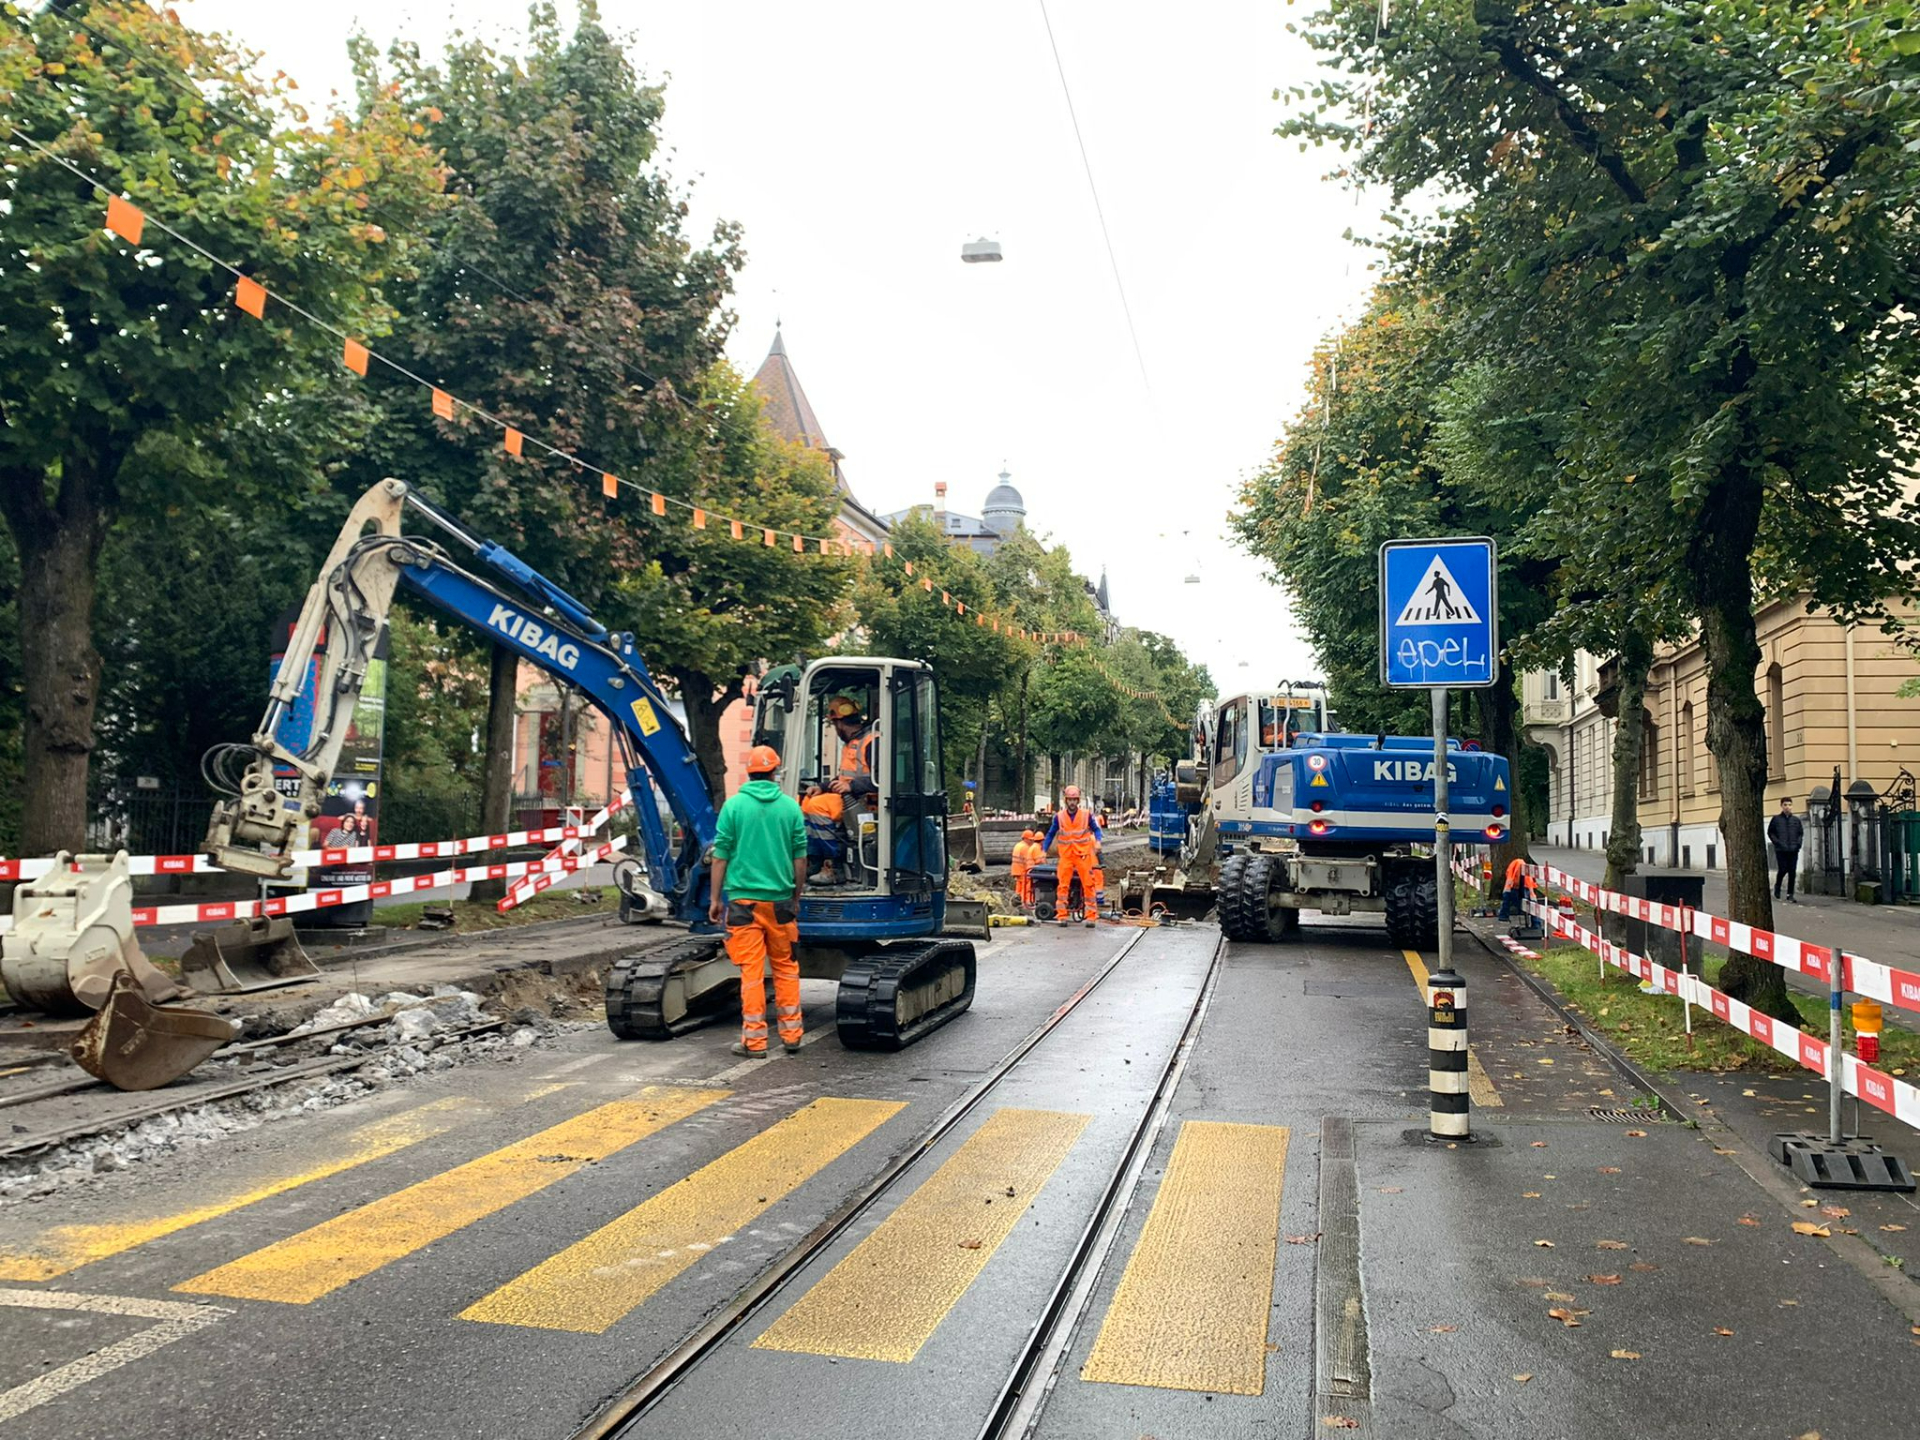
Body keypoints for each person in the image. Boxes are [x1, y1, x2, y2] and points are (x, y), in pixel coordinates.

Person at [708, 745, 809, 1058]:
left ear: (749, 773)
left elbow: (720, 856)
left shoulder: (734, 807)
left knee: (751, 973)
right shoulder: (791, 808)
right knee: (786, 968)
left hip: (743, 903)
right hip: (780, 903)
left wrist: (715, 899)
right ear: (775, 773)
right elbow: (800, 858)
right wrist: (796, 896)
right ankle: (792, 1036)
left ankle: (755, 1042)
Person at [1042, 785, 1103, 928]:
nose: (1072, 803)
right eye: (1070, 800)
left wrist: (1098, 842)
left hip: (1082, 855)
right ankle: (1062, 915)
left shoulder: (1086, 815)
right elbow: (1051, 833)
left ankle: (1091, 917)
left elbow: (1096, 829)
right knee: (1063, 886)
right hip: (1067, 856)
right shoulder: (1059, 816)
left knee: (1088, 885)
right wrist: (1044, 849)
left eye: (1074, 800)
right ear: (1066, 800)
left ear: (1078, 800)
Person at [800, 784, 846, 885]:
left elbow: (880, 782)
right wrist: (821, 788)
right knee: (805, 804)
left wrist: (852, 786)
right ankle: (815, 860)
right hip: (845, 793)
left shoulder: (873, 768)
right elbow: (840, 781)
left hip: (856, 795)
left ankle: (833, 866)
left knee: (817, 805)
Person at [1768, 796, 1804, 904]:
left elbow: (1800, 833)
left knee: (1792, 872)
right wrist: (1778, 843)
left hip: (1793, 850)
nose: (1787, 807)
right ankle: (1777, 887)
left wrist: (1798, 844)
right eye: (1785, 805)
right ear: (1781, 806)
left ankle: (1790, 894)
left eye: (1789, 805)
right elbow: (1771, 832)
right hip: (1781, 850)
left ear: (1792, 806)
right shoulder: (1776, 819)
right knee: (1783, 869)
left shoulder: (1796, 820)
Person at [1010, 828, 1039, 910]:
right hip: (1023, 870)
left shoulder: (1018, 845)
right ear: (1025, 838)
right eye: (1030, 840)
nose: (1031, 842)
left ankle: (1017, 901)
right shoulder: (1025, 848)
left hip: (1016, 870)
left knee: (1019, 888)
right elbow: (1028, 861)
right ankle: (1025, 902)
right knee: (1027, 887)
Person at [1498, 854, 1528, 921]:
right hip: (1513, 887)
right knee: (1516, 902)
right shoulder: (1520, 865)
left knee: (1507, 901)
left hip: (1509, 887)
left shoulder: (1514, 865)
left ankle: (1503, 916)